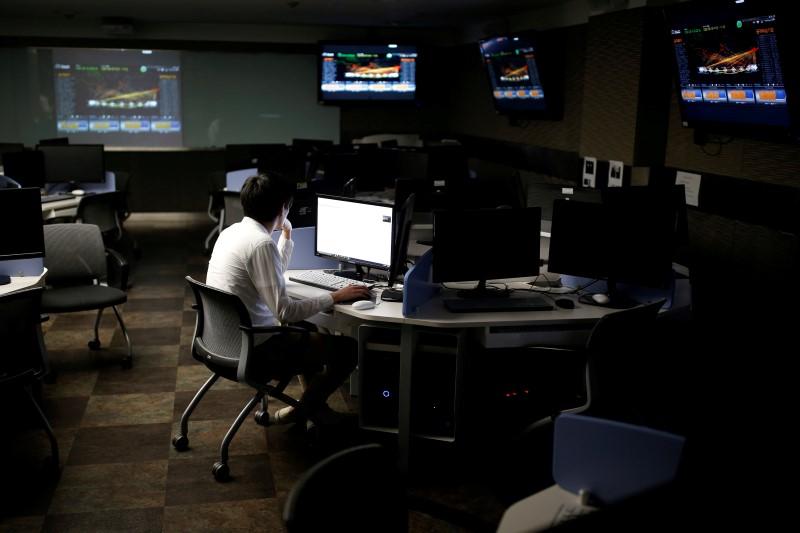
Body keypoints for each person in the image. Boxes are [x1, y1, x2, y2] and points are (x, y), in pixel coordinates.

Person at [206, 173, 370, 425]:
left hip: (222, 341)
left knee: (305, 328)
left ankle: (313, 407)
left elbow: (272, 279)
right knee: (348, 350)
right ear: (283, 208)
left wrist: (286, 237)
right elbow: (284, 311)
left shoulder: (232, 232)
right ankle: (304, 411)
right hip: (256, 350)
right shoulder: (260, 244)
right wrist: (335, 296)